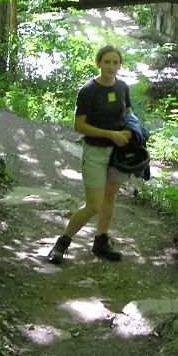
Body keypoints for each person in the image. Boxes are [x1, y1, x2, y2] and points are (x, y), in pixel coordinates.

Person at [48, 44, 134, 264]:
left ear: (120, 64)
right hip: (95, 152)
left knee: (110, 197)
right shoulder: (88, 90)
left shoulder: (123, 87)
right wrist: (111, 134)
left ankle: (101, 241)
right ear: (98, 63)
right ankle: (62, 243)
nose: (111, 67)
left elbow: (128, 114)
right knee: (93, 205)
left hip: (118, 154)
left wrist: (133, 131)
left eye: (115, 62)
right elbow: (79, 125)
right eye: (107, 62)